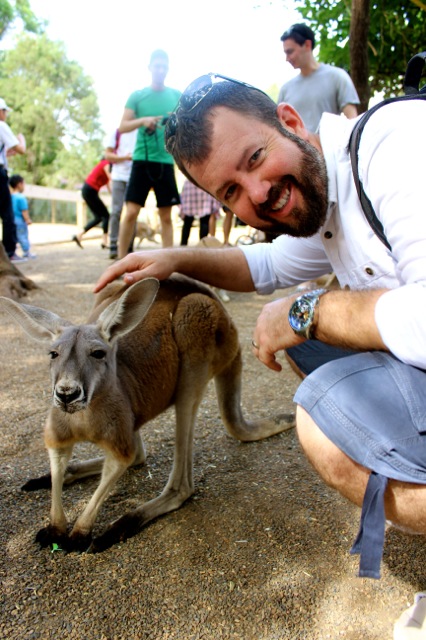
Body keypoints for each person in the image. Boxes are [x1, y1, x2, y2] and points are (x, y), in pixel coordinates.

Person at [95, 73, 426, 586]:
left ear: (290, 121)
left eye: (254, 158)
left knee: (320, 424)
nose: (259, 192)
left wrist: (304, 311)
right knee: (313, 360)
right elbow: (267, 265)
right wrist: (173, 258)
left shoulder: (394, 143)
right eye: (232, 190)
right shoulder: (325, 196)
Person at [116, 49, 181, 257]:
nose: (160, 70)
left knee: (166, 217)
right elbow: (123, 126)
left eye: (164, 66)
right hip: (141, 160)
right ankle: (120, 259)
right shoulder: (138, 96)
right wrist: (143, 120)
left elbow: (189, 125)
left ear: (168, 69)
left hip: (165, 161)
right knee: (130, 213)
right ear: (150, 67)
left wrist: (176, 119)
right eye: (157, 66)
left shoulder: (176, 96)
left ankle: (169, 262)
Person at [277, 23, 360, 131]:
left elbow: (352, 121)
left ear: (307, 45)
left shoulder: (337, 77)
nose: (287, 58)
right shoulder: (286, 89)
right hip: (295, 148)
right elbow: (279, 128)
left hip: (327, 147)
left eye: (290, 52)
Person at [104, 127, 137, 259]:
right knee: (116, 210)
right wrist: (125, 157)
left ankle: (129, 246)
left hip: (134, 176)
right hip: (118, 176)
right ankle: (113, 245)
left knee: (133, 211)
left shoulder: (141, 132)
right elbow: (108, 155)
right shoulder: (117, 132)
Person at [0, 98, 26, 261]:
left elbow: (7, 152)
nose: (6, 116)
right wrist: (21, 138)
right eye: (5, 112)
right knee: (7, 213)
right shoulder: (1, 125)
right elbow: (21, 149)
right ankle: (10, 252)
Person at [73, 158, 111, 249]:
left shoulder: (106, 172)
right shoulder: (106, 163)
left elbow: (110, 187)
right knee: (106, 215)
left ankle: (79, 235)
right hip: (89, 190)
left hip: (89, 191)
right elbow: (111, 177)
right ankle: (105, 242)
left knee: (99, 218)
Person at [179, 179, 221, 245]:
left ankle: (183, 245)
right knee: (203, 219)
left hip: (191, 183)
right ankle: (202, 245)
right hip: (203, 183)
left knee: (188, 220)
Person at [9, 174, 35, 259]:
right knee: (23, 236)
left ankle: (12, 253)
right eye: (23, 184)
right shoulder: (21, 197)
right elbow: (24, 211)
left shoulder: (10, 197)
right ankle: (26, 252)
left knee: (14, 237)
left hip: (11, 220)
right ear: (19, 184)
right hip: (20, 221)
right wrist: (27, 220)